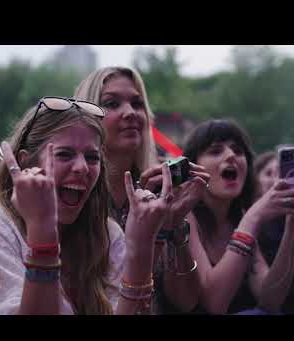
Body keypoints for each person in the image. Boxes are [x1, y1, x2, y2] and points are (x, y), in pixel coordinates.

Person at [0, 96, 173, 315]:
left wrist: (141, 248)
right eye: (64, 154)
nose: (82, 167)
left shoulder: (107, 233)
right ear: (26, 162)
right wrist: (42, 232)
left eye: (92, 157)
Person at [74, 67, 210, 313]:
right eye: (112, 103)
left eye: (137, 104)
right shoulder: (74, 195)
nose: (130, 113)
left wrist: (175, 225)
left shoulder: (163, 192)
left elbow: (186, 301)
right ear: (87, 115)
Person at [183, 119, 294, 314]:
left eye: (238, 150)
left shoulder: (239, 217)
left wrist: (291, 226)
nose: (231, 155)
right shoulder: (185, 216)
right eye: (216, 151)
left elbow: (270, 301)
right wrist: (253, 218)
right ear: (194, 168)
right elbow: (213, 305)